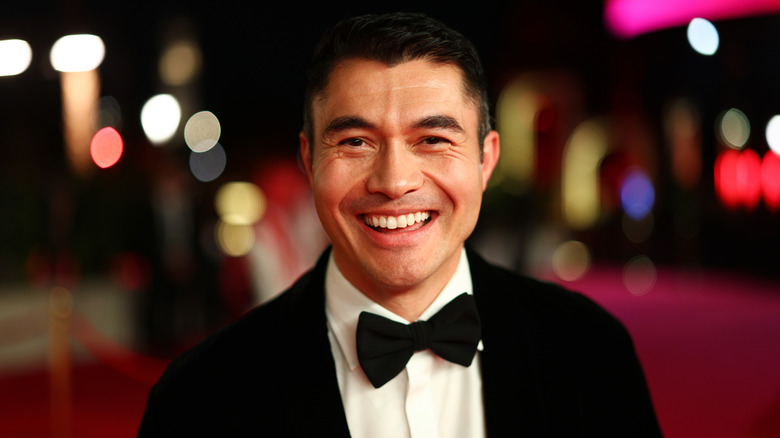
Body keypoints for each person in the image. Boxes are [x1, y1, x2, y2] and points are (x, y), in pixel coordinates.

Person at [138, 12, 662, 437]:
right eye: (355, 142)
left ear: (485, 160)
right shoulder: (199, 400)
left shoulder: (591, 353)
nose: (393, 181)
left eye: (432, 139)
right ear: (309, 161)